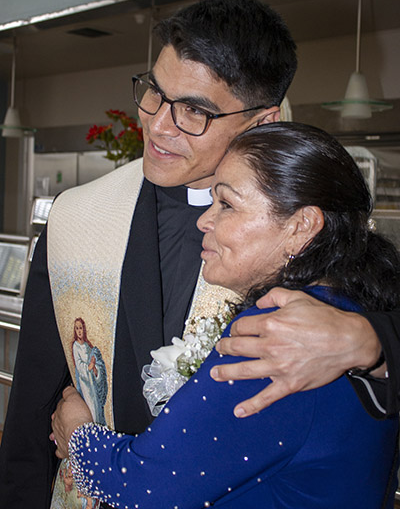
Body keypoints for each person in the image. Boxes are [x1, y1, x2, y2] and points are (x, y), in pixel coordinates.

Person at [0, 0, 398, 509]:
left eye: (195, 110)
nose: (159, 125)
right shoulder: (76, 215)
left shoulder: (303, 230)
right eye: (155, 93)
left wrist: (373, 342)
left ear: (261, 120)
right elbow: (34, 399)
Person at [51, 122, 400, 508]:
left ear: (301, 227)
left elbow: (144, 488)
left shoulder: (278, 336)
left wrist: (78, 433)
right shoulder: (351, 306)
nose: (205, 220)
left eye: (227, 204)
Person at [72, 318, 107, 425]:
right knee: (90, 407)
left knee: (96, 407)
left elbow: (94, 361)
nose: (79, 331)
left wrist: (95, 368)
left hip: (92, 382)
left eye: (81, 328)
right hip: (85, 383)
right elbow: (79, 365)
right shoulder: (76, 346)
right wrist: (88, 367)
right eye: (77, 328)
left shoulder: (87, 345)